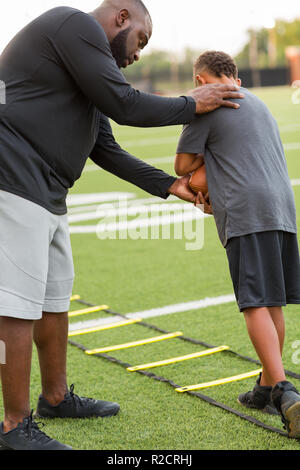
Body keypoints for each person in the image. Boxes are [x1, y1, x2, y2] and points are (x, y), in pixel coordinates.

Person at [0, 1, 244, 451]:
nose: (138, 54)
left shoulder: (86, 70)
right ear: (121, 17)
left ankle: (55, 398)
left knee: (54, 295)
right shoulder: (73, 25)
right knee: (18, 304)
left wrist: (172, 185)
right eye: (140, 40)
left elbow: (106, 148)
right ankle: (15, 426)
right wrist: (192, 104)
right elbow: (126, 104)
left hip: (47, 189)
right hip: (12, 176)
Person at [175, 50, 300, 438]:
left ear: (200, 81)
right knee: (271, 299)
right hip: (282, 206)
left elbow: (182, 167)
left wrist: (200, 177)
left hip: (247, 210)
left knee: (254, 302)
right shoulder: (258, 101)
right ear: (236, 77)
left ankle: (284, 390)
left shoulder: (207, 103)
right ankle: (265, 385)